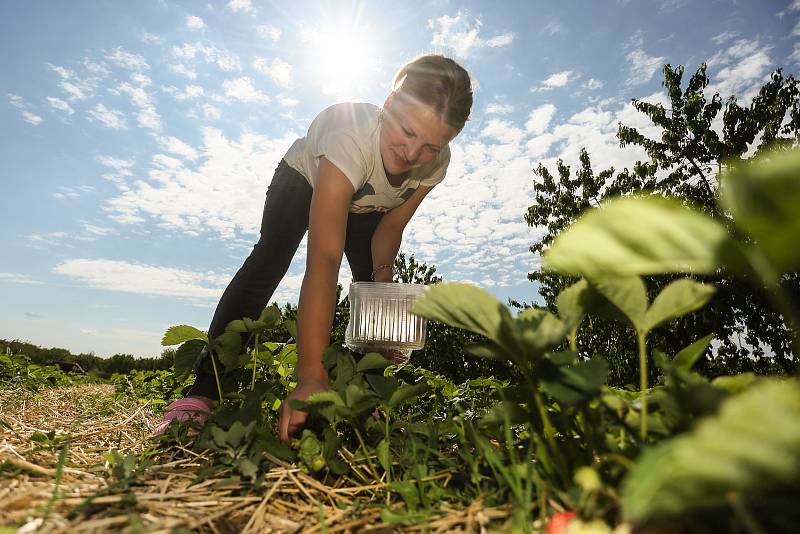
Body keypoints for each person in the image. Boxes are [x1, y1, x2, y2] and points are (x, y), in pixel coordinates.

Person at [154, 53, 473, 441]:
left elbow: (390, 228)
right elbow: (323, 260)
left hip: (364, 204)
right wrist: (309, 375)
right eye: (406, 131)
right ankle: (204, 392)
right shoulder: (350, 137)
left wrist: (384, 297)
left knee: (372, 291)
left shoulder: (436, 162)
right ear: (389, 105)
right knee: (269, 261)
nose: (412, 154)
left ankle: (360, 396)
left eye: (430, 146)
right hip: (303, 178)